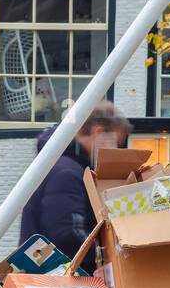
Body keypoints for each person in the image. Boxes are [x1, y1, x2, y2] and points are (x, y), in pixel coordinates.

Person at [19, 101, 131, 273]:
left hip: (48, 278)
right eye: (115, 142)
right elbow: (67, 234)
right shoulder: (68, 172)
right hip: (59, 283)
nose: (115, 150)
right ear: (98, 132)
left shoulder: (60, 165)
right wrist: (110, 258)